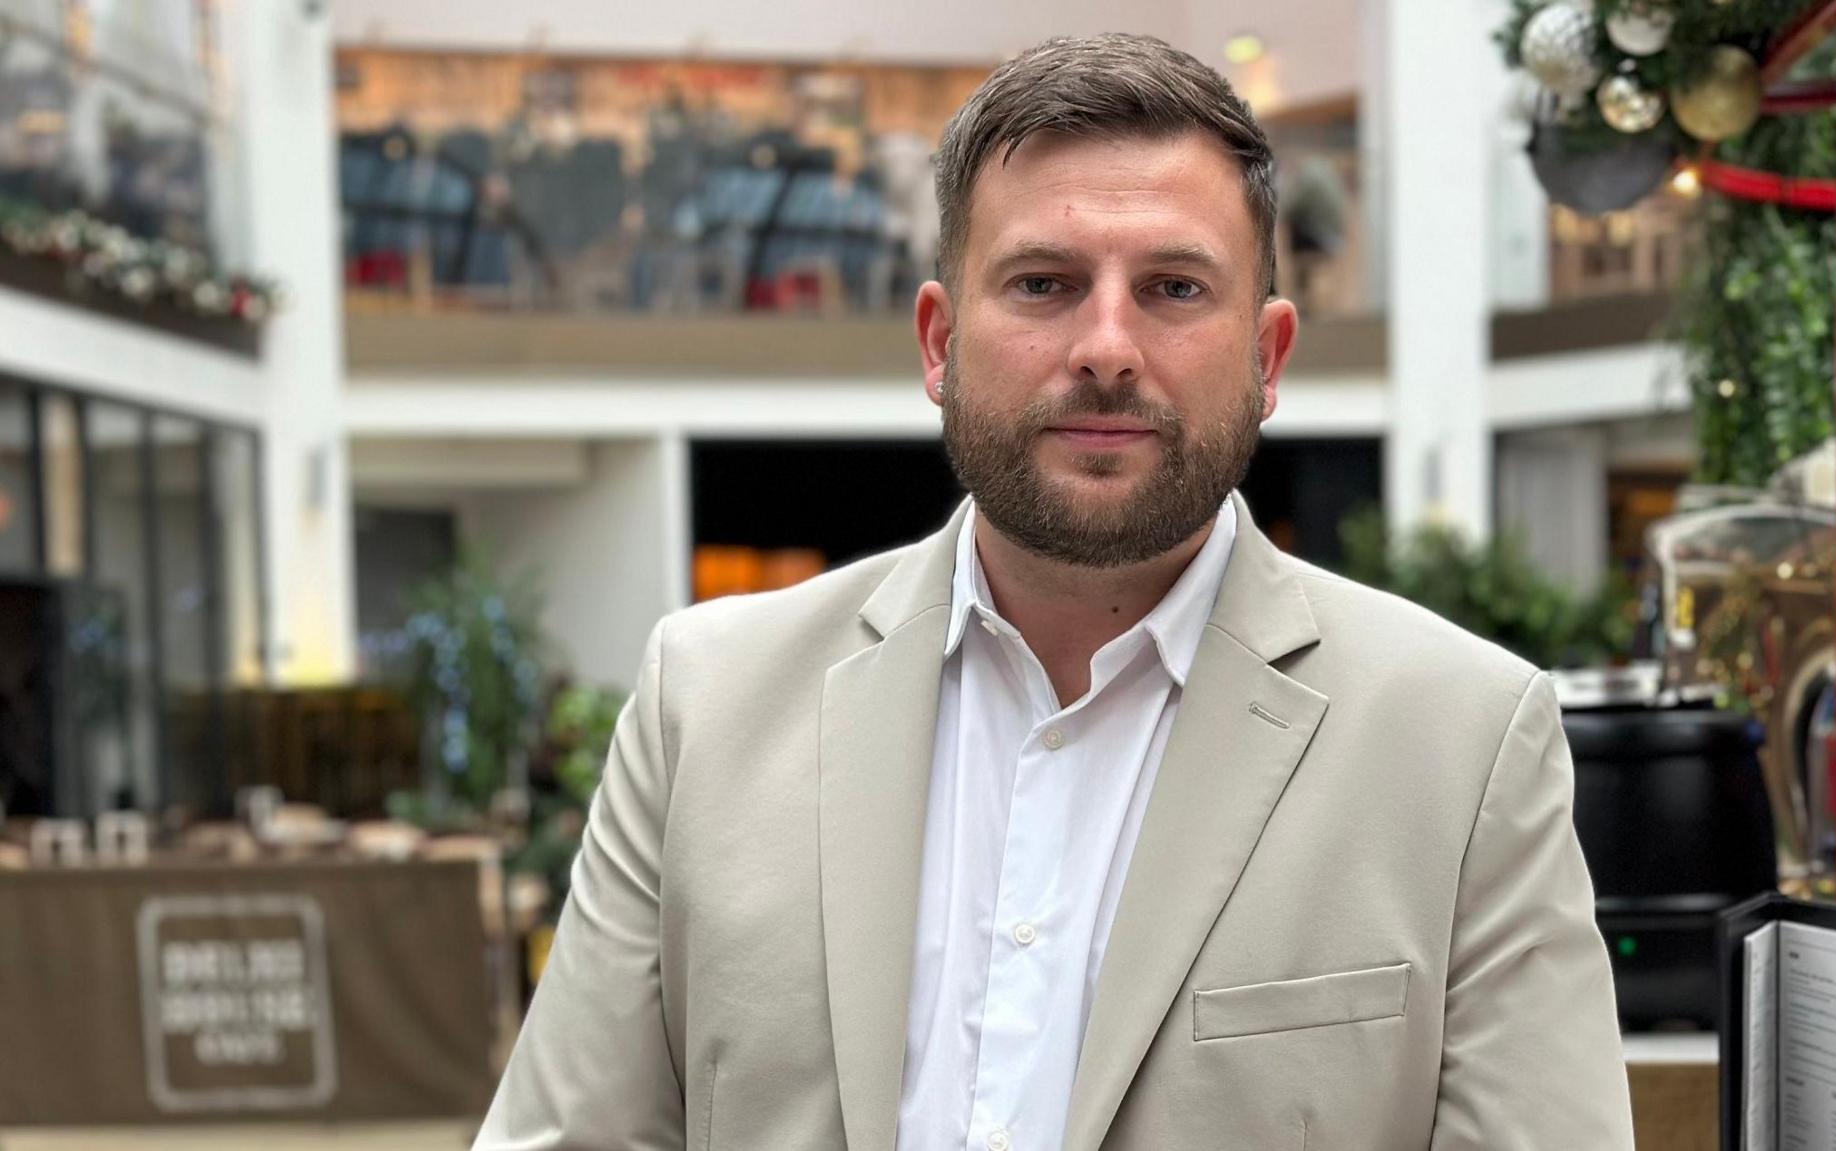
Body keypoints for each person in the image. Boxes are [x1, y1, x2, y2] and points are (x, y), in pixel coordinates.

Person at [474, 33, 1634, 1151]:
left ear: (1268, 357)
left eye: (1175, 288)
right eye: (1042, 282)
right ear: (938, 344)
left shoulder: (1462, 741)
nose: (1106, 345)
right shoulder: (706, 707)